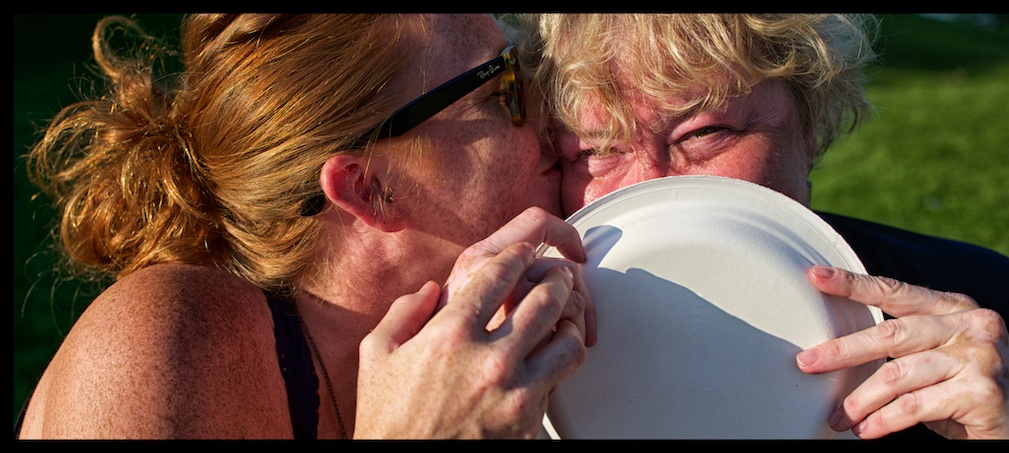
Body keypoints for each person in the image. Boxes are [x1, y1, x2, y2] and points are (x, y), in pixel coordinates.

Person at [16, 13, 596, 439]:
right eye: (505, 87)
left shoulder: (505, 342)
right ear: (369, 190)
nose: (552, 114)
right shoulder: (161, 343)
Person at [516, 13, 1009, 440]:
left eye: (706, 132)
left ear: (808, 127)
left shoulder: (982, 307)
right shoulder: (505, 376)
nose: (654, 185)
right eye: (599, 151)